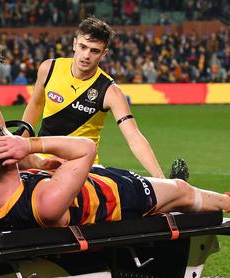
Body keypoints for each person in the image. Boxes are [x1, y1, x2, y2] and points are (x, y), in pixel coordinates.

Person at [0, 125, 230, 231]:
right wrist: (30, 145)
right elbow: (85, 149)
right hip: (114, 198)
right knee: (179, 189)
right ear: (11, 157)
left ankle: (169, 194)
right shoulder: (45, 200)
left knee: (170, 188)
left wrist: (37, 163)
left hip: (90, 184)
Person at [21, 16, 165, 178]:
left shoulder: (110, 91)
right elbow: (35, 105)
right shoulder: (49, 68)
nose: (86, 55)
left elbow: (134, 138)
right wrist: (20, 145)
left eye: (94, 51)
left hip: (82, 169)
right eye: (83, 47)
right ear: (75, 44)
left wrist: (161, 179)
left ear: (104, 54)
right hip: (43, 162)